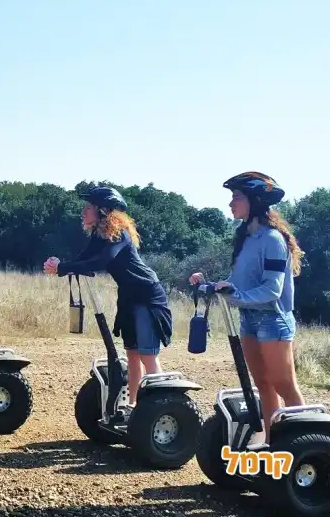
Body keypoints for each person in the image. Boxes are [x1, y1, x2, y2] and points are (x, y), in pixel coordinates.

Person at [188, 172, 305, 446]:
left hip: (273, 320)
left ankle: (306, 442)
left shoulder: (273, 239)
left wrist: (235, 296)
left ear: (255, 200)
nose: (231, 203)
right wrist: (209, 283)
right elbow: (238, 285)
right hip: (249, 319)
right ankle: (271, 440)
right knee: (262, 384)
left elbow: (272, 290)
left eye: (236, 197)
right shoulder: (246, 238)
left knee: (284, 385)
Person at [43, 185, 171, 410]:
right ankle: (132, 406)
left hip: (147, 295)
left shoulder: (118, 234)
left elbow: (101, 262)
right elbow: (84, 260)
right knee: (132, 354)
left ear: (103, 210)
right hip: (129, 296)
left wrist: (63, 267)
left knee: (146, 356)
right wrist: (60, 265)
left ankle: (161, 406)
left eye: (88, 207)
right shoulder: (99, 236)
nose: (84, 211)